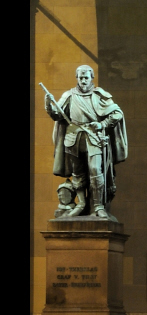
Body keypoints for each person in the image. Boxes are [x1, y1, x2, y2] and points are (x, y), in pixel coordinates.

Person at [44, 65, 128, 219]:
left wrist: (102, 124)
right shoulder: (69, 95)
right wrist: (48, 104)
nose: (83, 81)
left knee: (96, 170)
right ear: (77, 78)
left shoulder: (99, 95)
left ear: (91, 78)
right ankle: (81, 203)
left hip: (93, 137)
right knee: (78, 173)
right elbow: (57, 115)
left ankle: (98, 206)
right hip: (73, 138)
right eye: (80, 77)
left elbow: (117, 113)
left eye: (86, 77)